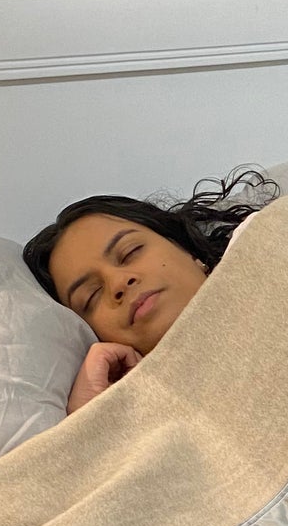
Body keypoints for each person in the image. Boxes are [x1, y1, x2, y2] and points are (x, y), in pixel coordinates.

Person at [23, 170, 274, 413]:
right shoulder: (144, 424)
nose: (118, 283)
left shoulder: (272, 240)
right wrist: (91, 418)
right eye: (92, 295)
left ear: (185, 248)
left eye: (130, 252)